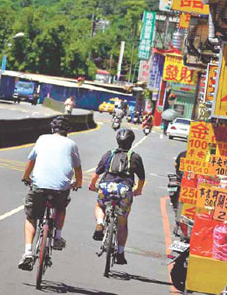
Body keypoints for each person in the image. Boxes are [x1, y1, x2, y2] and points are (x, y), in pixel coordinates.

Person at [18, 115, 83, 270]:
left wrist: (26, 177)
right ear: (68, 131)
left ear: (52, 129)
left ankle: (27, 252)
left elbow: (31, 161)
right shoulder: (72, 144)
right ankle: (57, 237)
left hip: (39, 185)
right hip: (61, 188)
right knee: (60, 208)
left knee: (31, 216)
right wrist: (77, 183)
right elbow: (78, 168)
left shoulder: (42, 139)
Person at [89, 128, 145, 265]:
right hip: (124, 190)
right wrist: (137, 190)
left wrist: (92, 186)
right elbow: (142, 179)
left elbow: (96, 174)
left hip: (106, 187)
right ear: (132, 142)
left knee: (100, 205)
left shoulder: (109, 154)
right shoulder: (135, 157)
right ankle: (120, 252)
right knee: (122, 221)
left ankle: (100, 222)